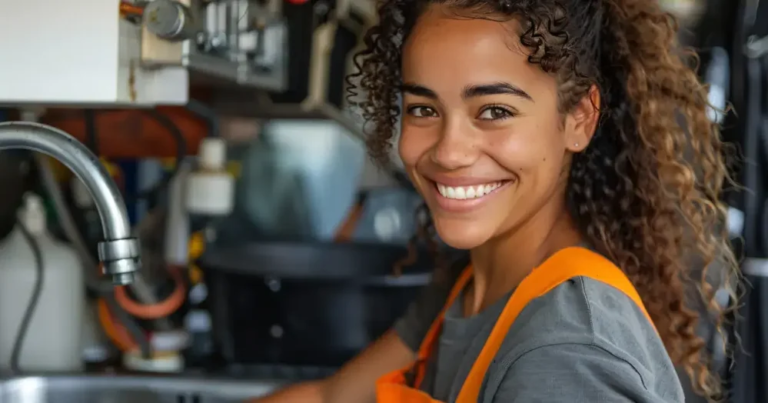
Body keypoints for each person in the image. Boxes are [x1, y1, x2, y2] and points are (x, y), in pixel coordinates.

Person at [252, 0, 737, 402]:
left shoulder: (565, 352)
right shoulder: (472, 287)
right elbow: (329, 398)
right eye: (423, 109)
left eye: (495, 111)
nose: (448, 151)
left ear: (579, 119)